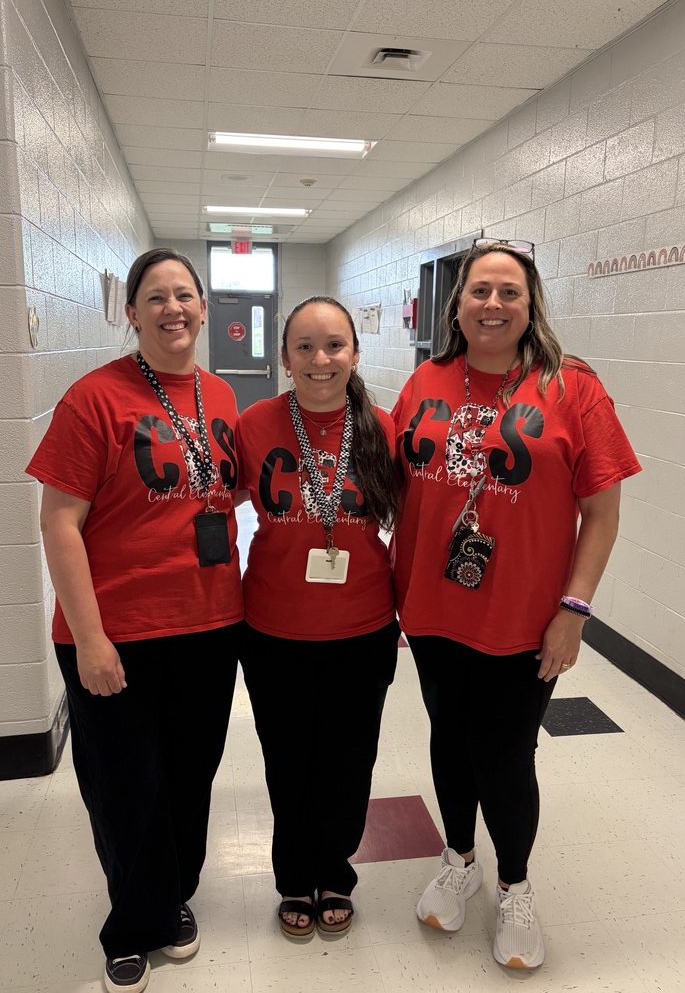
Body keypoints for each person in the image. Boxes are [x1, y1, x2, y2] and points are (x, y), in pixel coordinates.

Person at [391, 239, 641, 970]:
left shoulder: (573, 388)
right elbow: (402, 490)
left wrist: (575, 609)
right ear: (457, 304)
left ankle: (514, 883)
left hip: (525, 616)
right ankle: (459, 858)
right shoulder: (424, 382)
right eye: (480, 291)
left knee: (503, 753)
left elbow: (602, 511)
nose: (493, 304)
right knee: (447, 737)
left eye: (510, 292)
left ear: (531, 307)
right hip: (434, 609)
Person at [26, 248, 244, 993]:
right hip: (116, 630)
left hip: (211, 625)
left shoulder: (219, 395)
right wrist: (90, 638)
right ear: (131, 312)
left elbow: (219, 493)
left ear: (204, 307)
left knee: (190, 775)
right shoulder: (94, 398)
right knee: (123, 784)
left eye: (185, 295)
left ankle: (171, 895)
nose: (173, 308)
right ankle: (132, 923)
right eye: (156, 297)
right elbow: (60, 522)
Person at [234, 296, 400, 939]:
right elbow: (212, 510)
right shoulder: (254, 426)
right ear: (285, 358)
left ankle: (335, 870)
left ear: (355, 353)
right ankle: (292, 877)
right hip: (273, 629)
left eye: (334, 345)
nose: (320, 359)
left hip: (363, 628)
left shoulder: (383, 430)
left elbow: (411, 525)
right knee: (288, 759)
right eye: (304, 346)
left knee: (349, 758)